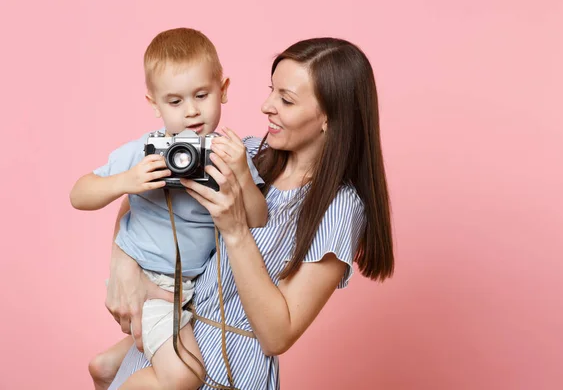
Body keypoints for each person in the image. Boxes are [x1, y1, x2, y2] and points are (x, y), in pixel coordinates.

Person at [105, 37, 395, 389]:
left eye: (285, 100)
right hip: (166, 350)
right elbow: (144, 196)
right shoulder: (247, 152)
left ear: (329, 119)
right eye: (271, 90)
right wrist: (122, 265)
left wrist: (236, 229)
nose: (266, 106)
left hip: (225, 374)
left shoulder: (340, 208)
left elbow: (277, 336)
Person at [70, 28, 267, 390]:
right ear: (153, 103)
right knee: (184, 376)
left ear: (223, 89)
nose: (191, 111)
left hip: (192, 290)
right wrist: (126, 181)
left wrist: (240, 172)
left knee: (168, 348)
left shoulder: (228, 153)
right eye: (174, 102)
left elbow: (258, 220)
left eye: (202, 95)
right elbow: (79, 194)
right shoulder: (145, 150)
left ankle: (107, 366)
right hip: (151, 288)